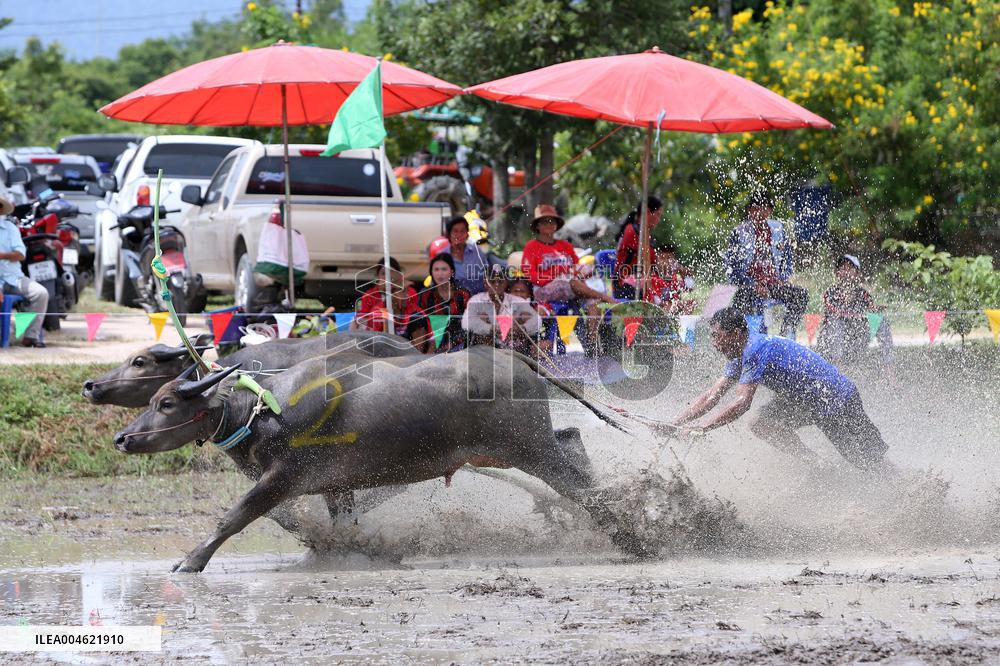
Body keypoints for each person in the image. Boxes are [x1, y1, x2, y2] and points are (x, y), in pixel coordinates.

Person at [672, 306, 889, 471]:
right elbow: (711, 396)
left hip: (834, 397)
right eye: (712, 337)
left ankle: (903, 486)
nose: (715, 344)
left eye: (718, 336)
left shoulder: (755, 348)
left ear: (736, 333)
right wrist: (676, 423)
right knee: (761, 423)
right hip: (806, 400)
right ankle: (819, 466)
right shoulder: (739, 355)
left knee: (866, 459)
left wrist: (702, 427)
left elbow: (742, 403)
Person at [521, 204, 615, 351]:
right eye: (544, 221)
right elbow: (529, 274)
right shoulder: (531, 247)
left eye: (551, 221)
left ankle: (591, 344)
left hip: (571, 287)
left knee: (593, 300)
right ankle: (607, 298)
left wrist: (583, 272)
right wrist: (556, 274)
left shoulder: (565, 245)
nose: (549, 224)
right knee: (569, 281)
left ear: (556, 225)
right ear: (538, 226)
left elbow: (576, 266)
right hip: (545, 290)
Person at [725, 191, 808, 338]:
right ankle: (753, 339)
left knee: (800, 295)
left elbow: (787, 257)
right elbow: (732, 267)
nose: (759, 212)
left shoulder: (778, 229)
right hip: (749, 285)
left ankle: (786, 333)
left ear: (770, 210)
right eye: (755, 208)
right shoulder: (739, 232)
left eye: (764, 208)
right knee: (745, 301)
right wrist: (751, 284)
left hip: (773, 283)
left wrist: (783, 277)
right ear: (749, 211)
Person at [817, 254, 894, 367]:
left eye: (849, 268)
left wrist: (876, 310)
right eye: (842, 268)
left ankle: (889, 369)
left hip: (856, 340)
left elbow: (870, 310)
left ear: (857, 274)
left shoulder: (863, 294)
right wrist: (857, 316)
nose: (846, 272)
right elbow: (833, 312)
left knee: (881, 321)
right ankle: (838, 369)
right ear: (837, 273)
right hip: (834, 344)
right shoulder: (831, 293)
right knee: (834, 321)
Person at [351, 256, 429, 352]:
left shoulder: (409, 291)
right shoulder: (369, 295)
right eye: (384, 273)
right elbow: (362, 320)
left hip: (405, 332)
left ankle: (416, 356)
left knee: (418, 319)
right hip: (377, 335)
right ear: (377, 276)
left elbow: (408, 308)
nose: (388, 277)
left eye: (392, 274)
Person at [0, 195, 48, 347]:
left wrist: (1, 255)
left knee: (41, 293)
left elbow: (20, 255)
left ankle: (31, 336)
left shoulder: (10, 228)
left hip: (15, 278)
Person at [463, 265, 541, 355]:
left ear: (506, 283)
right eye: (493, 282)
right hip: (484, 350)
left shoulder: (518, 301)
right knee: (481, 317)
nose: (496, 285)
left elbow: (537, 320)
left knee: (523, 316)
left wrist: (522, 329)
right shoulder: (476, 300)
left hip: (513, 349)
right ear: (485, 283)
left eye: (500, 281)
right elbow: (465, 323)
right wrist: (491, 329)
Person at [417, 253, 471, 353]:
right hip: (430, 348)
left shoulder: (463, 294)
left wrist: (451, 345)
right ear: (431, 273)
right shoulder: (424, 295)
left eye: (444, 269)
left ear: (452, 272)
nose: (440, 274)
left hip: (460, 347)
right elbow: (419, 325)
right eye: (436, 269)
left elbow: (470, 325)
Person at [613, 196, 663, 299]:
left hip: (640, 282)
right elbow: (650, 261)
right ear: (648, 212)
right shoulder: (632, 231)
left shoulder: (646, 235)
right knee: (655, 283)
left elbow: (655, 264)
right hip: (624, 285)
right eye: (658, 215)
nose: (659, 220)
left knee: (667, 283)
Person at [441, 215, 506, 295]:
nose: (459, 235)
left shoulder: (477, 251)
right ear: (448, 234)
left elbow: (486, 275)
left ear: (467, 234)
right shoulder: (443, 256)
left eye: (462, 231)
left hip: (478, 296)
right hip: (454, 298)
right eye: (455, 231)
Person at [647, 243, 696, 314]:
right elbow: (657, 303)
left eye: (669, 258)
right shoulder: (652, 279)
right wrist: (678, 305)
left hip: (675, 313)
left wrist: (683, 272)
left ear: (674, 261)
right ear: (657, 260)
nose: (666, 262)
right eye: (662, 258)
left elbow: (691, 288)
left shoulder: (675, 278)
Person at [508, 277, 552, 356]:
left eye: (522, 291)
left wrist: (544, 344)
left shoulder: (536, 310)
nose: (519, 294)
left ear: (529, 294)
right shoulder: (503, 307)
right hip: (507, 347)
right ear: (509, 293)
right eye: (515, 291)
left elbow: (544, 334)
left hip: (531, 346)